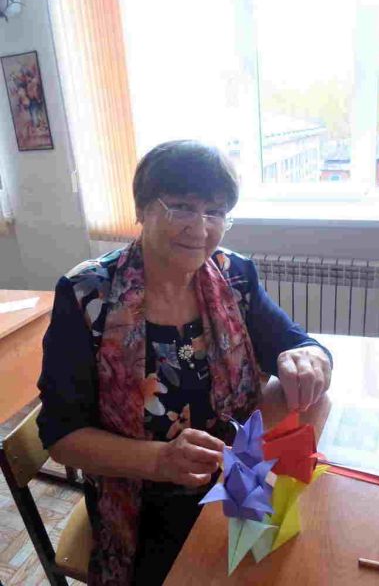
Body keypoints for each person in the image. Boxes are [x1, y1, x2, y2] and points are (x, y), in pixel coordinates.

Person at [37, 140, 332, 586]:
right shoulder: (86, 295)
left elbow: (295, 344)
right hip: (144, 502)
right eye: (181, 207)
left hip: (238, 476)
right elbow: (61, 437)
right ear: (141, 209)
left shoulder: (234, 275)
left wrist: (309, 357)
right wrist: (160, 460)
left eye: (215, 212)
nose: (201, 227)